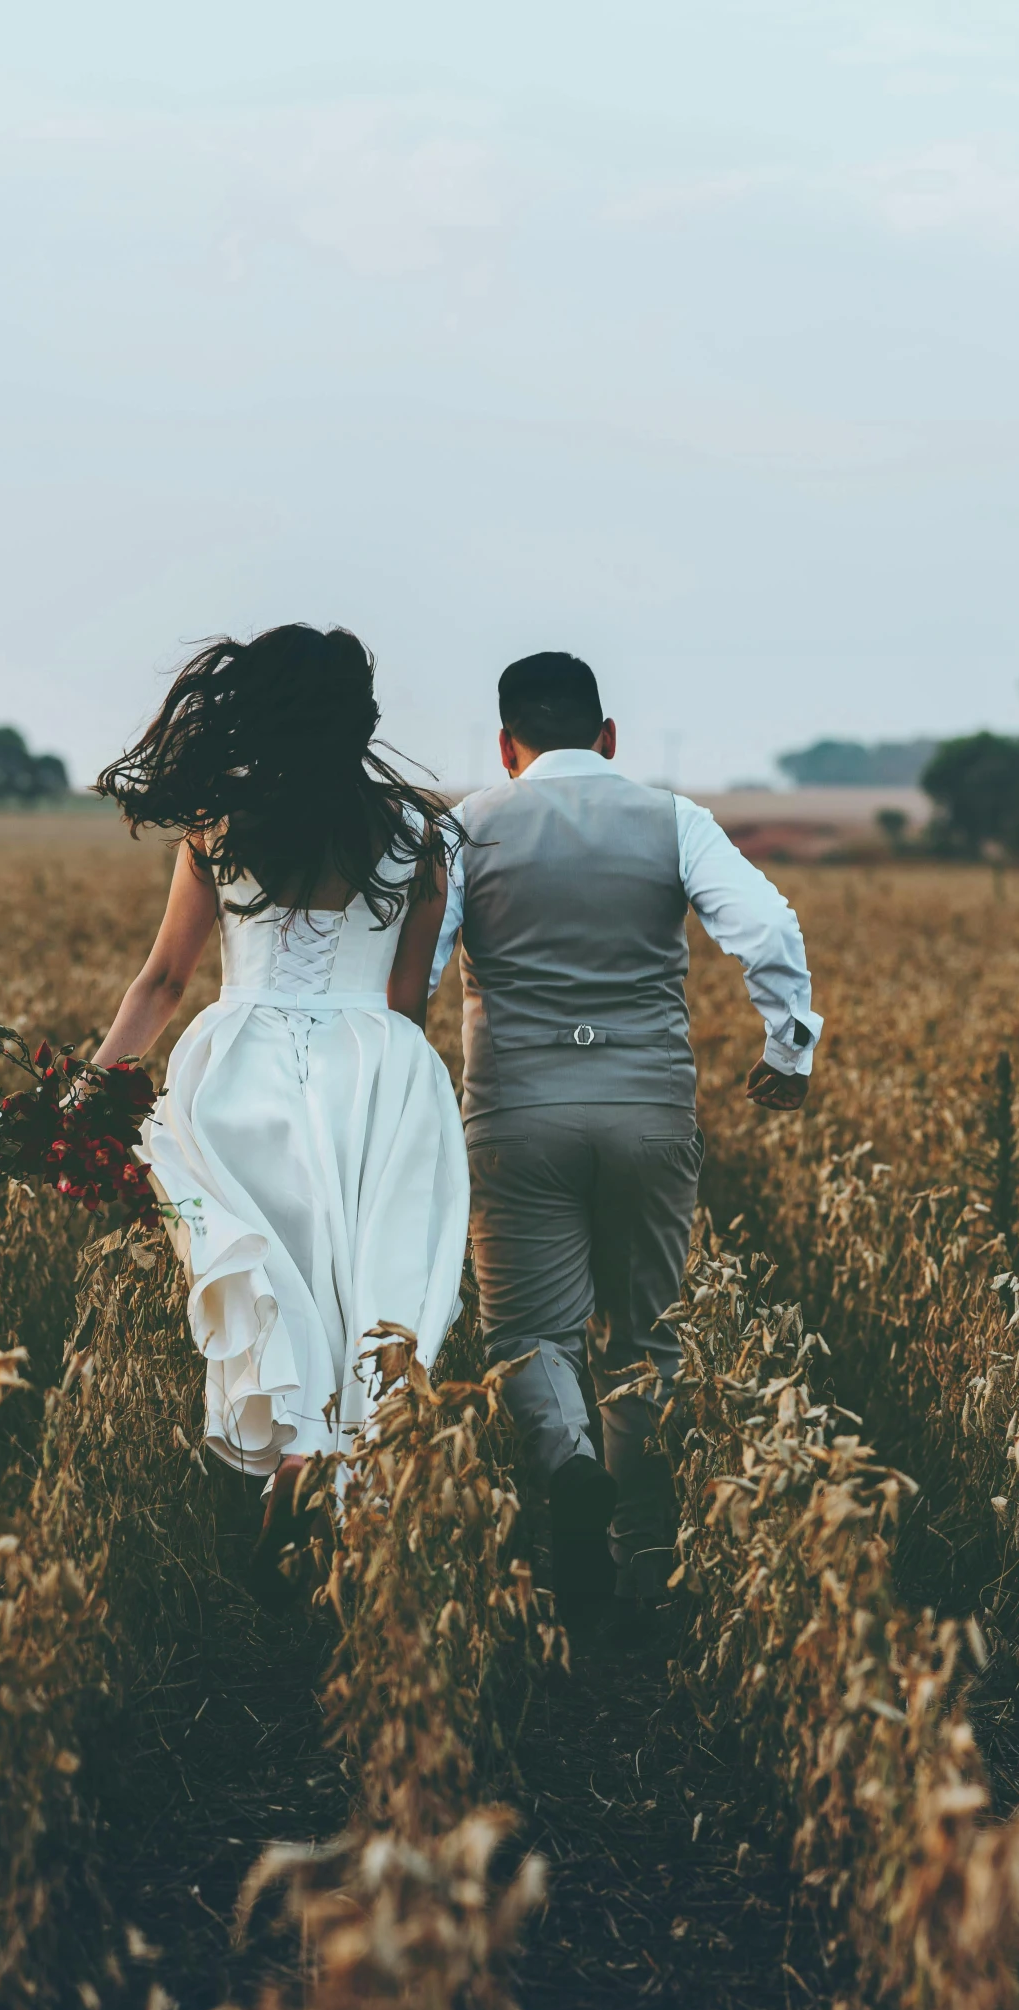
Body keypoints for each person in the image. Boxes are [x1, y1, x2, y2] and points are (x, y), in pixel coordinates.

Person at [430, 650, 821, 1646]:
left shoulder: (466, 826)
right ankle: (649, 1564)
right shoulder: (672, 819)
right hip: (649, 1110)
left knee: (526, 1335)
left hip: (516, 1117)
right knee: (647, 1338)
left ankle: (567, 1467)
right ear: (609, 739)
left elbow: (417, 967)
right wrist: (788, 1048)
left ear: (506, 747)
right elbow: (767, 926)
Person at [92, 624, 469, 1594]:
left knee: (268, 1289)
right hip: (374, 1076)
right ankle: (329, 1486)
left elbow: (162, 981)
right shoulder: (419, 836)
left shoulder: (217, 828)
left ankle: (286, 1469)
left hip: (237, 1082)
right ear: (360, 722)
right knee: (361, 1297)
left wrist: (87, 1096)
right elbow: (407, 1004)